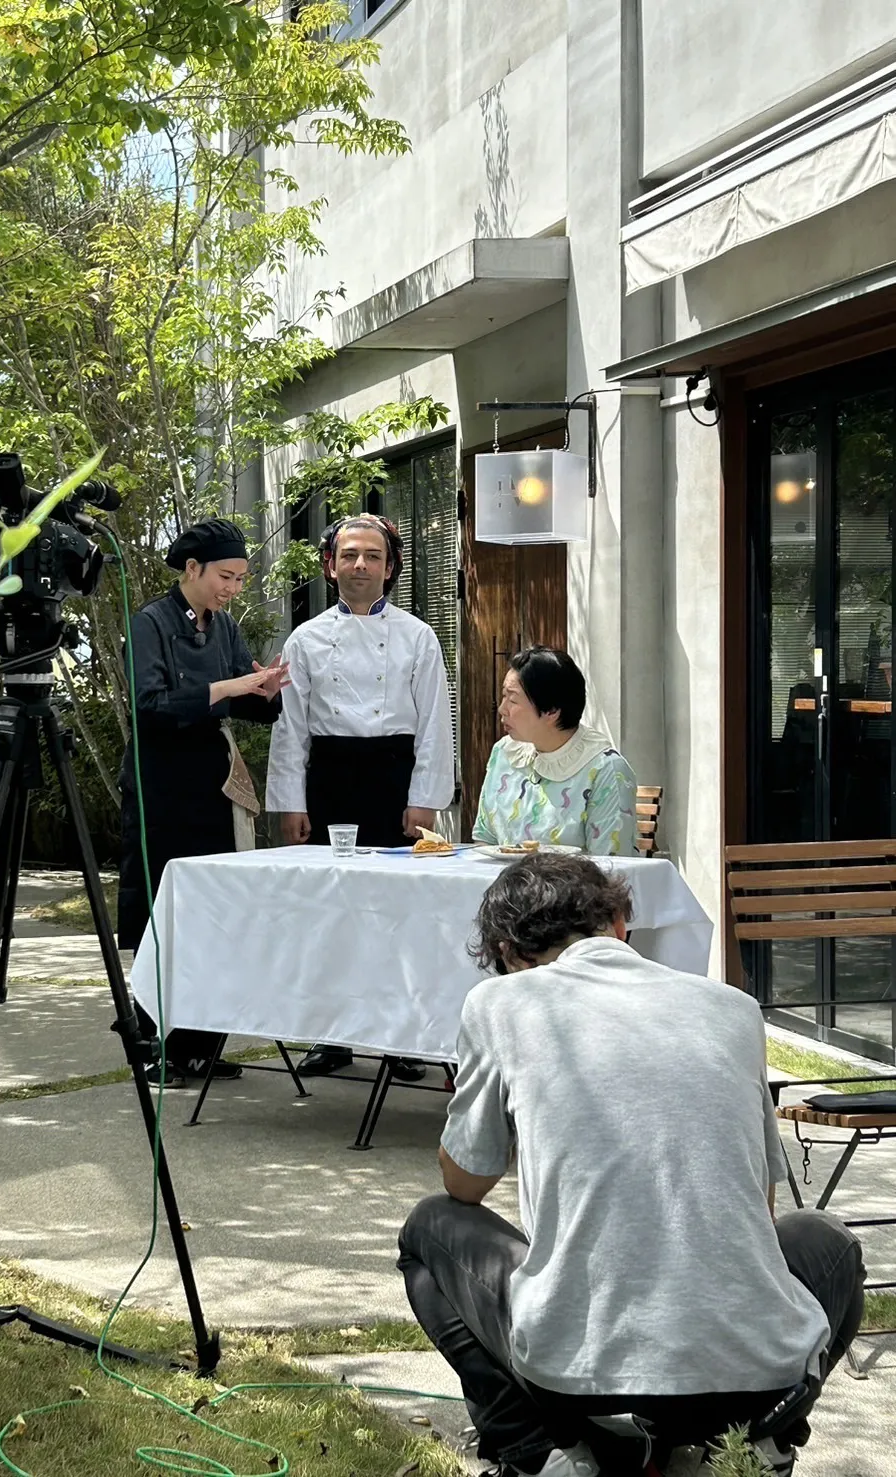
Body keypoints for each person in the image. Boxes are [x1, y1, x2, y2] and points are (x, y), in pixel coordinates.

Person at [398, 853, 864, 1477]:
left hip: (576, 1381)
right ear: (620, 922)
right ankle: (760, 1442)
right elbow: (760, 1208)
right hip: (755, 1377)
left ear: (508, 953)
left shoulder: (499, 1003)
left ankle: (540, 1454)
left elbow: (464, 1182)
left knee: (430, 1227)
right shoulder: (732, 1007)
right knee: (828, 1240)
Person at [265, 513, 455, 1079]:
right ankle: (332, 1036)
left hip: (394, 779)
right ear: (330, 566)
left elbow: (434, 725)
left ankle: (403, 1040)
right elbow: (290, 728)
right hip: (329, 780)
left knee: (400, 912)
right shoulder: (305, 639)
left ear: (390, 567)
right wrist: (291, 803)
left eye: (373, 556)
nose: (360, 566)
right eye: (349, 555)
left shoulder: (418, 636)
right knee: (329, 912)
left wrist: (425, 798)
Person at [119, 517, 287, 1086]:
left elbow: (246, 700)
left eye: (240, 579)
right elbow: (149, 706)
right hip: (160, 785)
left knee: (213, 913)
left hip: (213, 786)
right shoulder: (149, 622)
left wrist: (266, 691)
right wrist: (225, 689)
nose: (232, 589)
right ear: (192, 569)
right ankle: (153, 1044)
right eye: (225, 577)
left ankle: (200, 1046)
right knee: (160, 913)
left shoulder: (225, 627)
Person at [474, 646, 636, 855]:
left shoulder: (606, 770)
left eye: (512, 700)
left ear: (551, 711)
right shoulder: (504, 753)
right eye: (503, 696)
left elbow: (612, 864)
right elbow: (485, 838)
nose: (502, 709)